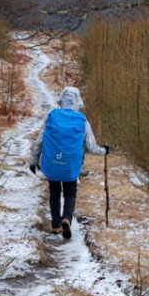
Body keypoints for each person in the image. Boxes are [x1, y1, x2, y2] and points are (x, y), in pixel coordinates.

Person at [28, 86, 108, 240]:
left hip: (52, 163)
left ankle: (56, 225)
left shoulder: (52, 116)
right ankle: (66, 219)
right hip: (71, 165)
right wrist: (104, 150)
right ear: (78, 102)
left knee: (54, 192)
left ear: (61, 100)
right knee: (70, 193)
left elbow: (39, 141)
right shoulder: (82, 121)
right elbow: (91, 147)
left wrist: (34, 161)